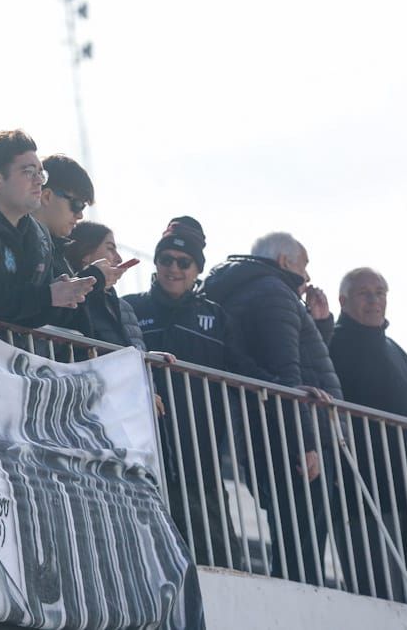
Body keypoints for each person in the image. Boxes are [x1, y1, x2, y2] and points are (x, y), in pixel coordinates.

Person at [203, 232, 341, 585]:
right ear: (284, 261)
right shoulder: (273, 293)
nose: (307, 277)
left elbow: (294, 362)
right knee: (302, 540)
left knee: (295, 534)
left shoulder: (253, 290)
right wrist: (306, 441)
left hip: (268, 429)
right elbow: (288, 375)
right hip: (289, 434)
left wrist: (320, 324)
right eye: (304, 264)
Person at [124, 216, 249, 567]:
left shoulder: (217, 318)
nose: (173, 269)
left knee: (222, 562)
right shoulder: (132, 308)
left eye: (183, 262)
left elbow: (245, 372)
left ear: (197, 270)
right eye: (165, 259)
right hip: (146, 458)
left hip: (200, 461)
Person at [329, 268, 407, 610]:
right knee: (383, 602)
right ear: (344, 300)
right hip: (365, 497)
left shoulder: (397, 350)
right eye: (364, 293)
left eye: (380, 292)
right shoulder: (333, 345)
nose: (374, 300)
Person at [0, 131, 97, 328]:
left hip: (19, 355)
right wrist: (48, 296)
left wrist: (63, 294)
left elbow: (36, 315)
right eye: (29, 172)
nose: (39, 180)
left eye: (40, 173)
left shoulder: (40, 236)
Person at [64, 221, 144, 350]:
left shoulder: (125, 307)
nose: (119, 259)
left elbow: (133, 352)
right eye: (110, 249)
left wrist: (149, 359)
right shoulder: (69, 299)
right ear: (86, 254)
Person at [33, 154, 95, 280]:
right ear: (47, 197)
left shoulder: (56, 253)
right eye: (77, 204)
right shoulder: (23, 247)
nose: (80, 215)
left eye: (83, 207)